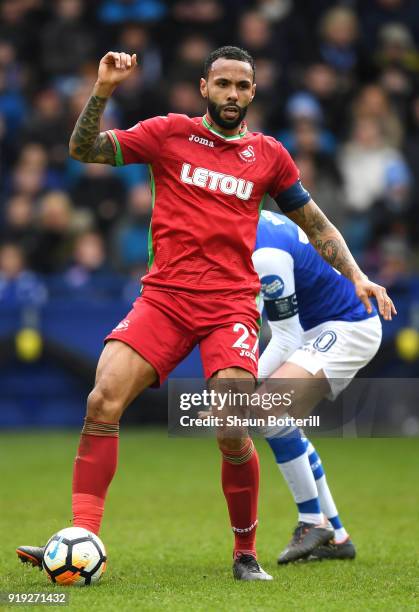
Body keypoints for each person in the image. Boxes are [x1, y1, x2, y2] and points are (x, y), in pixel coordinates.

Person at [16, 46, 395, 581]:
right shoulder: (168, 133)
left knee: (232, 427)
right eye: (223, 85)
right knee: (101, 400)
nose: (233, 95)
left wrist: (356, 275)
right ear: (204, 88)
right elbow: (85, 149)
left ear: (253, 93)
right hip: (165, 298)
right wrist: (102, 91)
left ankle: (245, 554)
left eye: (242, 86)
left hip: (229, 307)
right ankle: (84, 535)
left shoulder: (269, 155)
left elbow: (315, 223)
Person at [253, 210, 384, 563]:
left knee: (265, 405)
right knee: (274, 416)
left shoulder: (264, 251)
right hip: (318, 326)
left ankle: (313, 521)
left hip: (348, 325)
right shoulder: (254, 225)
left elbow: (285, 337)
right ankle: (336, 536)